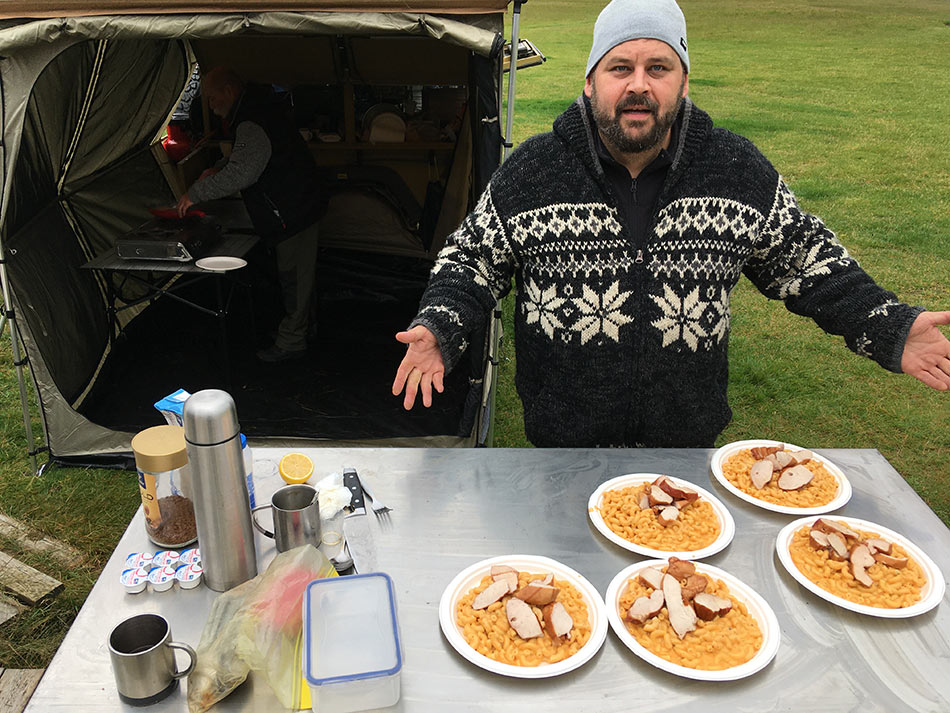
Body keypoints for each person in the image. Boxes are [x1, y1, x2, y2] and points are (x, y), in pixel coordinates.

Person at [391, 0, 950, 447]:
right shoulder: (535, 172)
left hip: (685, 455)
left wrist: (891, 326)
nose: (639, 84)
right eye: (620, 67)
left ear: (683, 82)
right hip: (563, 451)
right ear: (590, 82)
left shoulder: (735, 170)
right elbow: (470, 260)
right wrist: (440, 326)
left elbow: (808, 263)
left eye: (658, 68)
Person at [177, 67, 324, 363]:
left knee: (294, 278)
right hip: (299, 204)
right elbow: (245, 157)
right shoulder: (258, 109)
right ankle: (302, 328)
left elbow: (243, 172)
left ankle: (292, 341)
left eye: (212, 97)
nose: (210, 105)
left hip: (293, 209)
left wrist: (195, 193)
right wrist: (217, 168)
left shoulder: (251, 121)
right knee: (300, 275)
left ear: (229, 91)